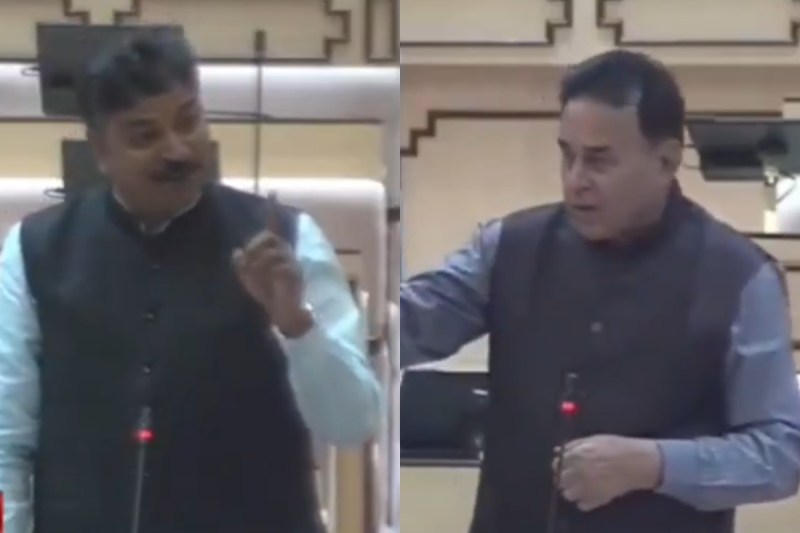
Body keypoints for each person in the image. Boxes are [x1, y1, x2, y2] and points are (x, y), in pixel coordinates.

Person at [400, 49, 800, 533]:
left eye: (598, 160)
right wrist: (338, 305)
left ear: (666, 160)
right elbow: (409, 323)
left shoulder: (741, 278)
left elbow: (782, 453)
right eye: (567, 155)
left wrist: (655, 464)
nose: (576, 181)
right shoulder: (508, 247)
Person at [0, 29, 381, 533]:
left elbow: (354, 424)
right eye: (145, 136)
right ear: (100, 150)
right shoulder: (34, 251)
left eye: (189, 121)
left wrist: (297, 326)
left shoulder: (289, 241)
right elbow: (6, 440)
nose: (177, 150)